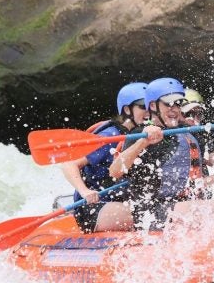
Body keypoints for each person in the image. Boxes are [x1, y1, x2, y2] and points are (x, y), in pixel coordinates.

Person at [109, 77, 206, 230]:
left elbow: (200, 177)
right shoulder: (140, 133)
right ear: (153, 106)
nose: (174, 108)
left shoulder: (189, 133)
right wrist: (143, 142)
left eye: (178, 103)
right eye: (168, 103)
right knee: (200, 211)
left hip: (186, 204)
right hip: (152, 210)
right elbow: (115, 172)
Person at [61, 82, 158, 233]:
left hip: (119, 201)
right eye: (142, 106)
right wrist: (85, 192)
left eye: (150, 106)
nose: (148, 112)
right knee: (148, 214)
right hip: (94, 207)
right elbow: (69, 164)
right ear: (127, 109)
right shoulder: (111, 136)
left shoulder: (146, 136)